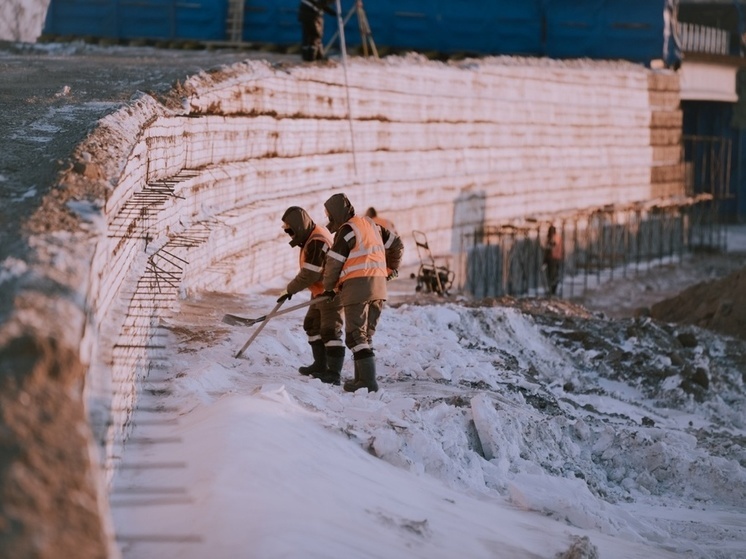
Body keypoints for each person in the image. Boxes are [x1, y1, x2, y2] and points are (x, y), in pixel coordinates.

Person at [321, 193, 404, 392]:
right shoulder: (372, 226)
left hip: (357, 289)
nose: (329, 220)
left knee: (356, 336)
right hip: (378, 288)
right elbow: (397, 245)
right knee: (365, 336)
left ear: (337, 213)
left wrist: (329, 287)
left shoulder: (347, 231)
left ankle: (367, 382)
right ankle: (361, 381)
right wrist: (390, 270)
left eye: (329, 215)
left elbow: (334, 262)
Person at [278, 206, 345, 384]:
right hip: (320, 291)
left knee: (330, 331)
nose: (290, 235)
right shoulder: (311, 236)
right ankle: (320, 364)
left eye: (291, 231)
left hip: (332, 292)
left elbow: (310, 274)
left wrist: (289, 290)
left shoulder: (317, 241)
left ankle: (334, 373)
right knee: (312, 325)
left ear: (299, 227)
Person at [543, 225, 563, 296]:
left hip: (552, 259)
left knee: (551, 275)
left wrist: (544, 260)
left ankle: (552, 290)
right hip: (557, 259)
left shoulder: (553, 238)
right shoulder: (558, 238)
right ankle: (553, 290)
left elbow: (550, 247)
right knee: (554, 275)